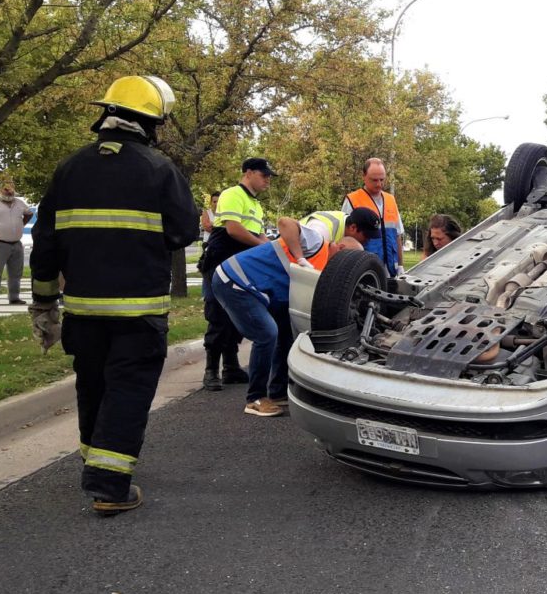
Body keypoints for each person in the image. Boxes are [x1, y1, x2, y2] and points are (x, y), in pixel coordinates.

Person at [29, 74, 198, 516]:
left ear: (106, 114)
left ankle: (96, 459)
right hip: (138, 314)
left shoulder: (68, 169)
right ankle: (109, 484)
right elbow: (184, 232)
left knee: (94, 384)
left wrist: (44, 304)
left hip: (83, 314)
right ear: (151, 123)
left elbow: (44, 245)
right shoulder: (161, 171)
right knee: (127, 389)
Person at [212, 208, 377, 417]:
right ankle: (255, 398)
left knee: (286, 335)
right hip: (235, 280)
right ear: (341, 247)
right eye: (348, 261)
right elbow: (285, 222)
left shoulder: (327, 271)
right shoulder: (317, 242)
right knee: (266, 334)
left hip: (257, 288)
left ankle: (278, 393)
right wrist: (300, 258)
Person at [199, 159, 274, 391]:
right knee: (218, 315)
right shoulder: (232, 194)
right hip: (220, 261)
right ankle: (210, 370)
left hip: (241, 265)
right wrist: (261, 247)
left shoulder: (256, 204)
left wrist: (272, 248)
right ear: (249, 173)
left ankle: (230, 367)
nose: (267, 180)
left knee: (236, 315)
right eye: (264, 175)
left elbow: (260, 235)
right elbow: (233, 229)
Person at [342, 157, 404, 277]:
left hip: (390, 269)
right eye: (374, 180)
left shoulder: (391, 200)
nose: (379, 184)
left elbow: (397, 235)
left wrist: (400, 265)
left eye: (382, 180)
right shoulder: (352, 200)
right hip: (366, 268)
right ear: (363, 176)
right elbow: (345, 236)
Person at [0, 180, 33, 305]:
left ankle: (14, 297)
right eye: (6, 189)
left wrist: (21, 224)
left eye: (11, 189)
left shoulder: (19, 203)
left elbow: (29, 213)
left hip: (16, 243)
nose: (9, 192)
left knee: (16, 273)